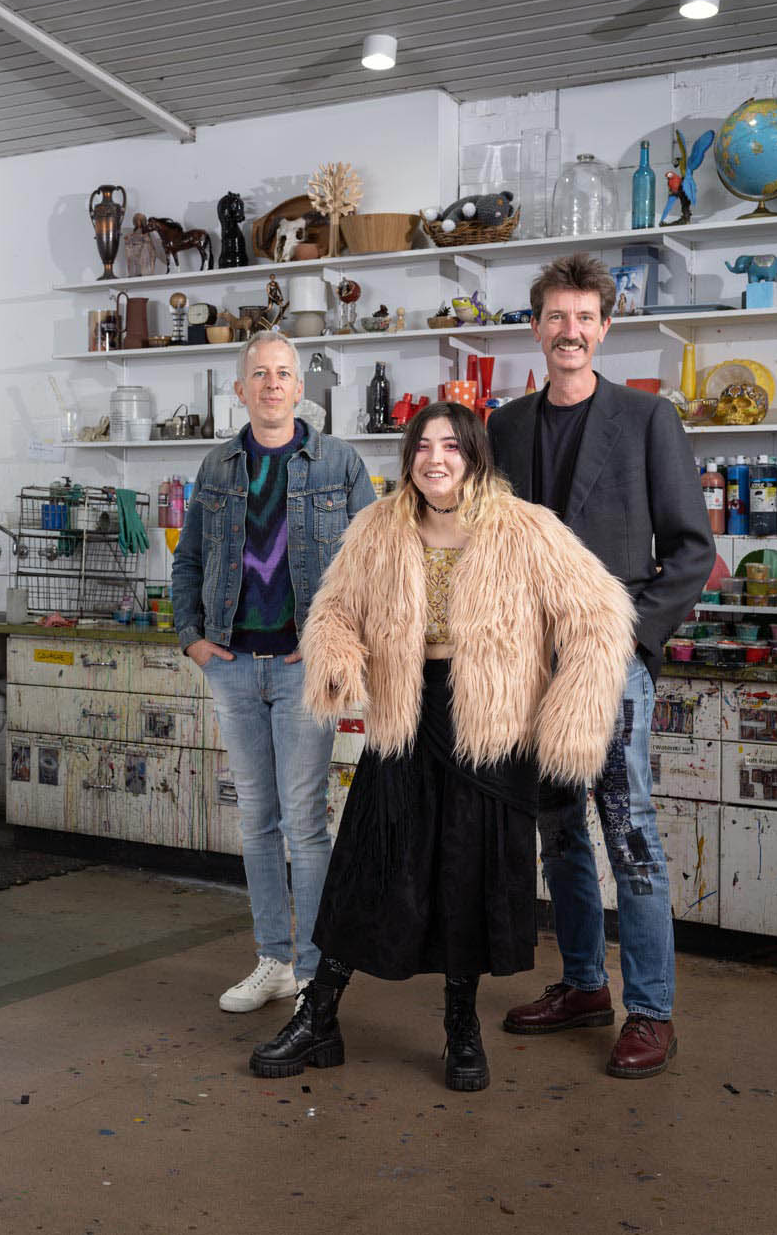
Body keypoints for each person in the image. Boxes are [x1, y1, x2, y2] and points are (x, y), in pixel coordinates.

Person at [250, 402, 635, 1091]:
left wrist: (568, 715)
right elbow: (335, 605)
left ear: (474, 454)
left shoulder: (526, 529)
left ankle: (462, 1025)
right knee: (365, 866)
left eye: (451, 446)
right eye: (423, 446)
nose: (435, 458)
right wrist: (336, 653)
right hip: (405, 715)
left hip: (488, 728)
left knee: (466, 871)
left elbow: (603, 616)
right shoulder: (378, 525)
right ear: (409, 459)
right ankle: (320, 1016)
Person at [487, 253, 713, 1079]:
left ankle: (651, 1010)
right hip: (527, 664)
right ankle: (584, 984)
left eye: (585, 318)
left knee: (629, 834)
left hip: (609, 664)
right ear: (537, 325)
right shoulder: (504, 427)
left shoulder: (648, 421)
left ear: (604, 327)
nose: (570, 331)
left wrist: (629, 637)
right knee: (558, 835)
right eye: (556, 316)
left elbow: (692, 552)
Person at [171, 329, 374, 1013]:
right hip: (232, 664)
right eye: (259, 374)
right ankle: (274, 961)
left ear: (299, 385)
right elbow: (189, 561)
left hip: (302, 671)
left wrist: (333, 643)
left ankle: (316, 973)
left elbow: (369, 569)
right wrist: (192, 639)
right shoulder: (217, 468)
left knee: (305, 823)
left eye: (283, 373)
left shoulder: (339, 463)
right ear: (241, 388)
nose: (272, 384)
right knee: (256, 818)